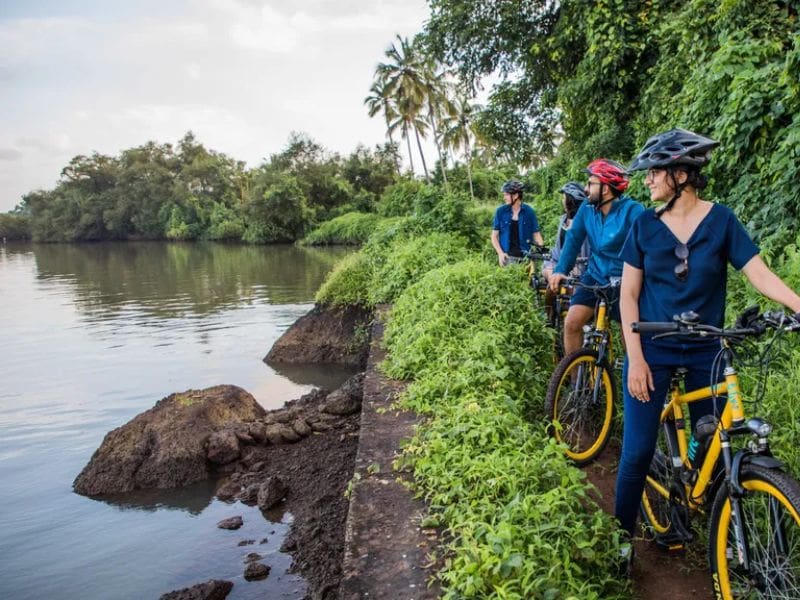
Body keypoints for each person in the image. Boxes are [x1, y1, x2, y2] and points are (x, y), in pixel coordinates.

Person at [615, 127, 800, 545]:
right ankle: (620, 541)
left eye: (655, 172)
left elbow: (758, 272)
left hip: (706, 349)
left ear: (681, 174)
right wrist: (636, 358)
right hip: (651, 347)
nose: (648, 180)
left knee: (713, 443)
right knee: (638, 450)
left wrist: (797, 304)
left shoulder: (722, 221)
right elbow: (628, 295)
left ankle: (708, 525)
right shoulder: (645, 225)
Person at [548, 160, 644, 356]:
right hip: (595, 275)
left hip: (625, 281)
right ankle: (576, 382)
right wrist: (560, 270)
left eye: (591, 183)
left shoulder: (633, 211)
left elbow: (646, 249)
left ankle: (631, 379)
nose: (585, 188)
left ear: (606, 189)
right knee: (572, 323)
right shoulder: (586, 209)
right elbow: (574, 239)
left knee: (630, 335)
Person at [541, 181, 590, 281]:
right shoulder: (563, 221)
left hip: (581, 269)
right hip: (561, 263)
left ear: (571, 200)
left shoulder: (586, 221)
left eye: (564, 198)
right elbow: (558, 250)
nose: (563, 201)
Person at [491, 180, 544, 266]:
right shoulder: (500, 212)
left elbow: (536, 234)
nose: (504, 197)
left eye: (507, 195)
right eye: (504, 195)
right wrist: (500, 253)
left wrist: (541, 248)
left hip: (526, 257)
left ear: (516, 195)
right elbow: (494, 236)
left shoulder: (529, 211)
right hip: (507, 257)